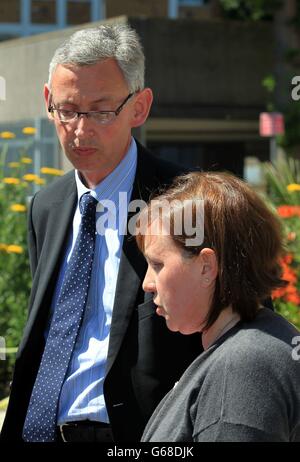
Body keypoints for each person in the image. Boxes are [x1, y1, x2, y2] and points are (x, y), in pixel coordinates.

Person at [0, 24, 202, 443]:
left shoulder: (191, 201)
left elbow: (234, 332)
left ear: (139, 107)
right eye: (68, 109)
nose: (80, 129)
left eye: (102, 111)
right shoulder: (46, 207)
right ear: (47, 101)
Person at [136, 171, 300, 442]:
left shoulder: (242, 368)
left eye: (158, 265)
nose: (147, 284)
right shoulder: (258, 345)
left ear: (206, 267)